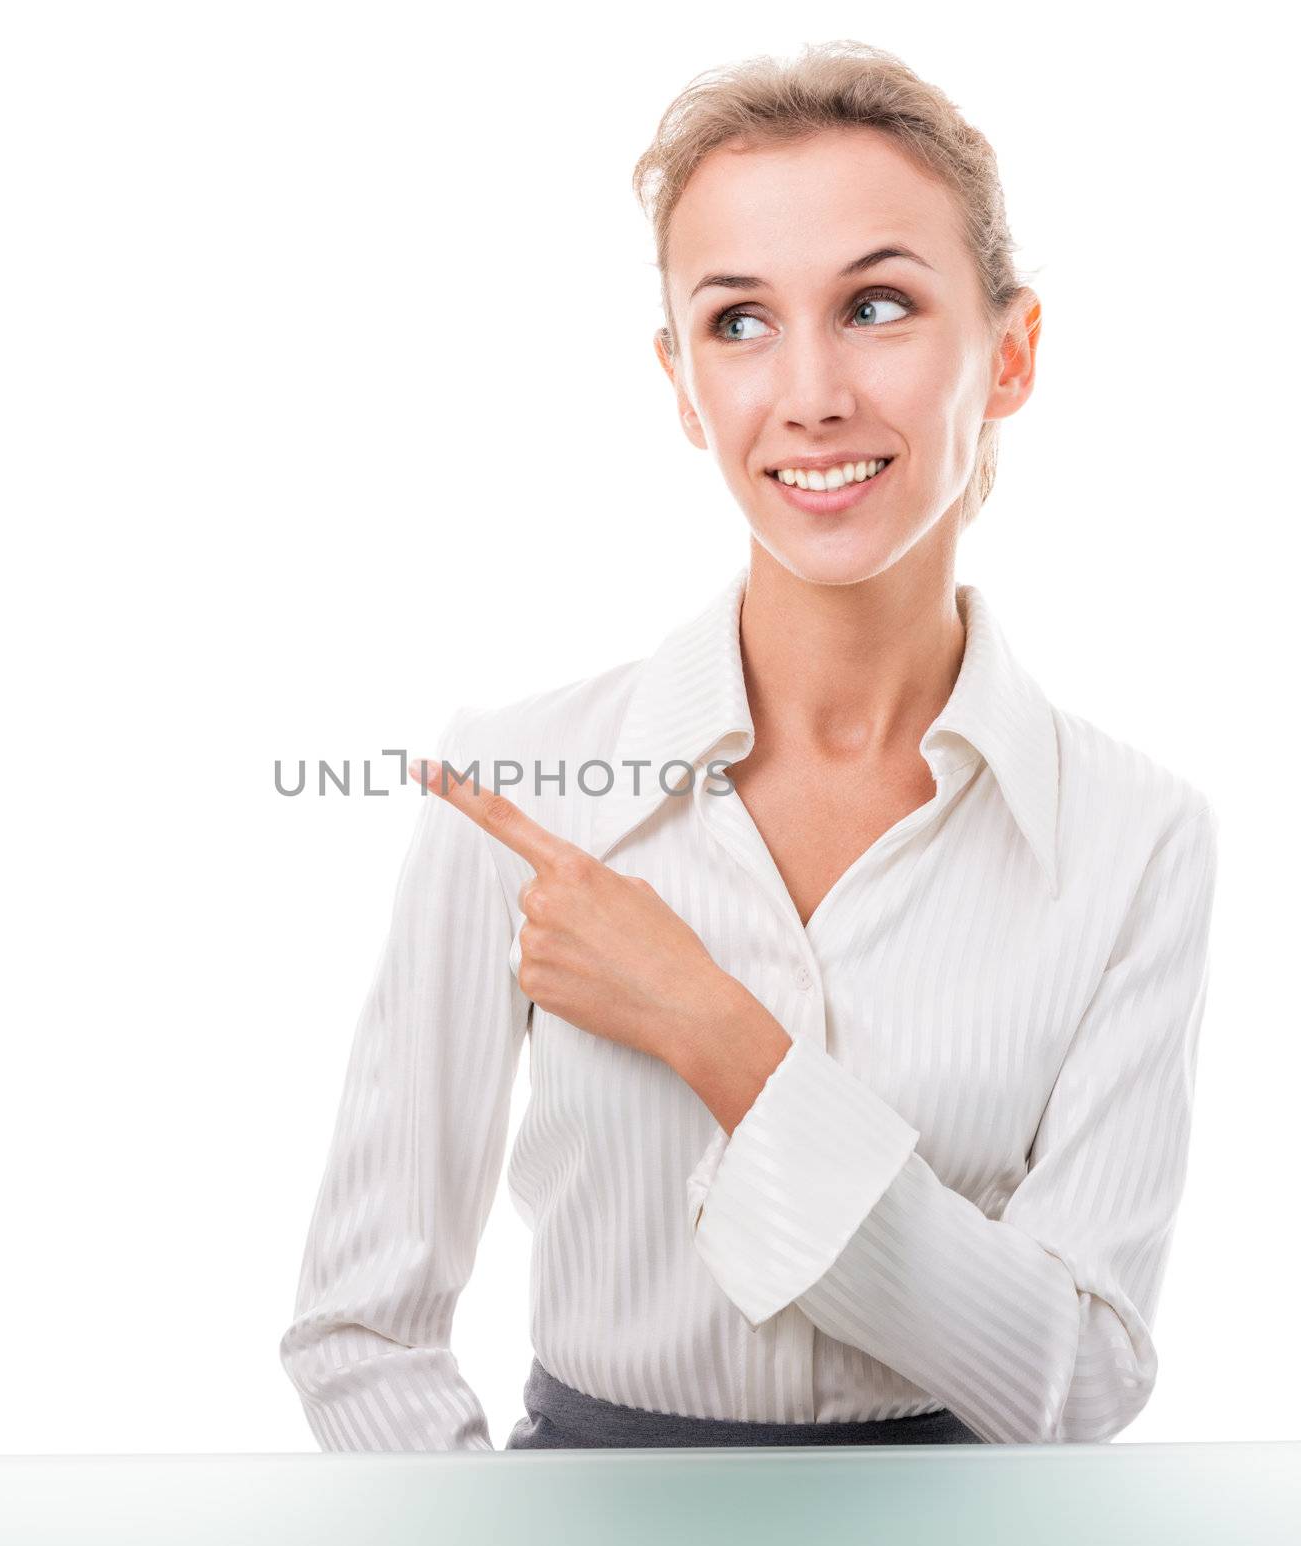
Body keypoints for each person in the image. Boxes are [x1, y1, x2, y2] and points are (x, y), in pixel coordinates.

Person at [277, 40, 1219, 1451]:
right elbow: (362, 1328)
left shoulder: (1136, 838)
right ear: (679, 380)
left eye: (879, 305)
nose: (811, 392)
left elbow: (1072, 1382)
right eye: (738, 322)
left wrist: (718, 1034)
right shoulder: (516, 787)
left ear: (1010, 352)